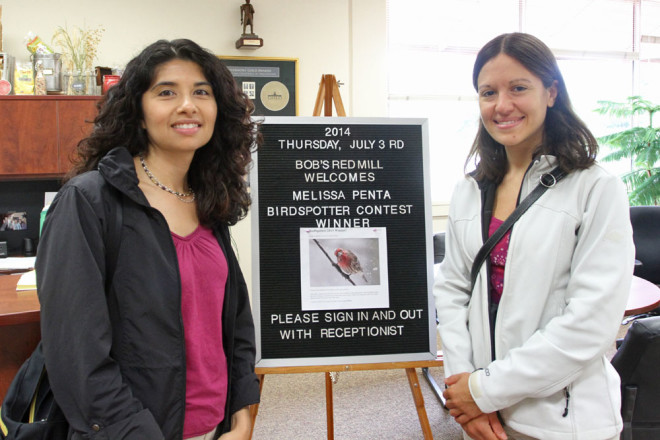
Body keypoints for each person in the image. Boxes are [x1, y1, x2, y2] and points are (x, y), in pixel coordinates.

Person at [36, 39, 262, 440]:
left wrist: (242, 413)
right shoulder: (90, 201)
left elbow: (233, 324)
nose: (188, 105)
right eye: (166, 92)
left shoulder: (208, 201)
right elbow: (78, 356)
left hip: (215, 427)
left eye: (201, 92)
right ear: (138, 112)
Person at [434, 33, 634, 440]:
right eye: (488, 92)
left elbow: (590, 323)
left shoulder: (595, 188)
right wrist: (465, 391)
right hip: (484, 413)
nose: (502, 105)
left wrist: (484, 390)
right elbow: (453, 289)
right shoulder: (468, 190)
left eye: (519, 88)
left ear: (551, 92)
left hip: (563, 419)